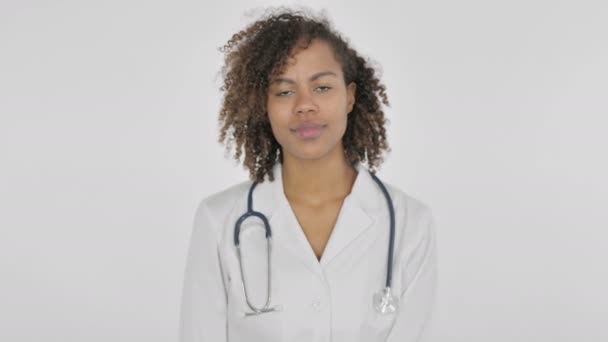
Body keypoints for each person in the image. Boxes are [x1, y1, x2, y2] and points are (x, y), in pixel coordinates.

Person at [179, 7, 438, 342]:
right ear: (265, 106)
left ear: (350, 97)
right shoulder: (219, 221)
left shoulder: (409, 223)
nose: (304, 105)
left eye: (322, 88)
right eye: (284, 91)